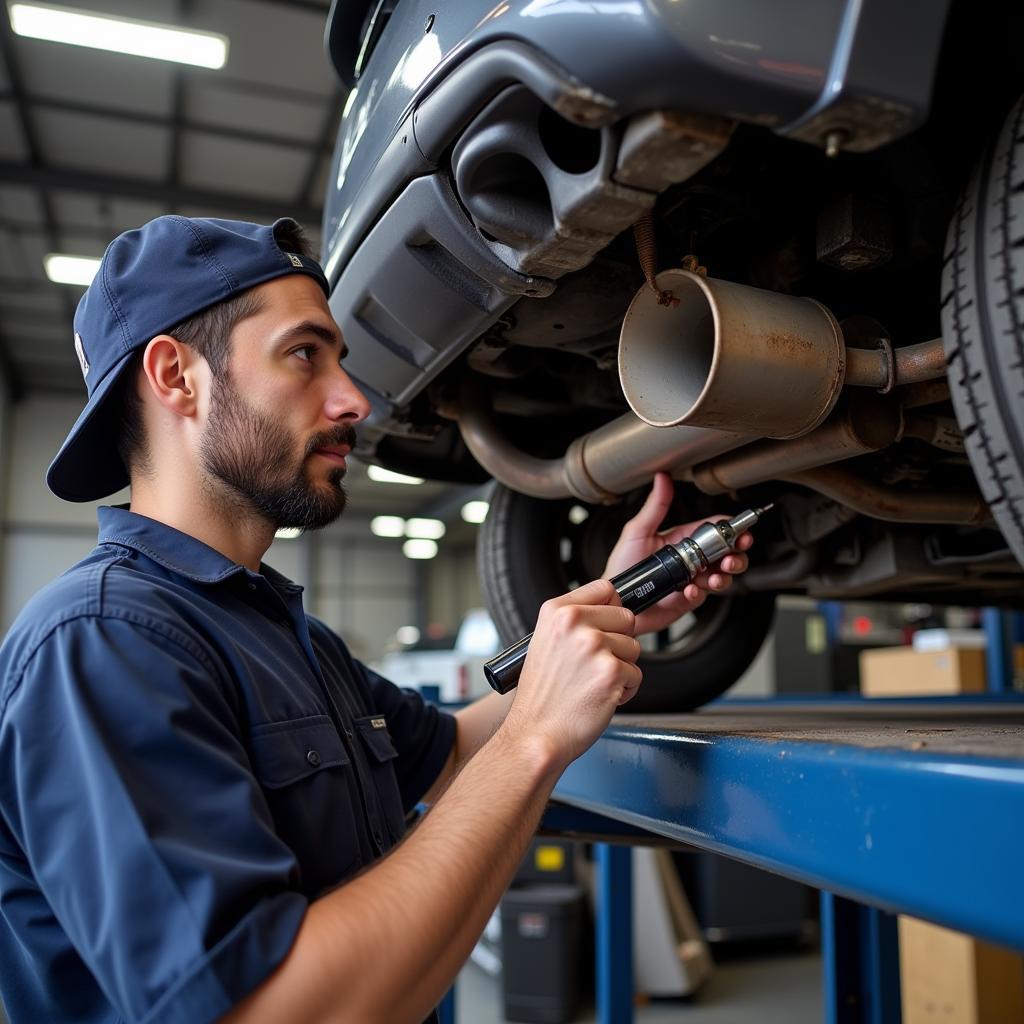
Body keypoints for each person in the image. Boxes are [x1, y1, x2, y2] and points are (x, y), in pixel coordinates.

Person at [0, 216, 752, 1024]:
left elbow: (453, 751)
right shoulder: (105, 642)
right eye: (303, 354)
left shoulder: (278, 629)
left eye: (342, 362)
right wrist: (537, 739)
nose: (352, 399)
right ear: (176, 376)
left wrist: (616, 601)